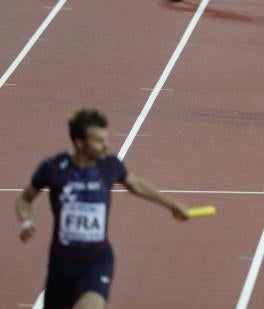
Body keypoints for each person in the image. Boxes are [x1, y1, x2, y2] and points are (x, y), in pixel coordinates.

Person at [16, 109, 190, 309]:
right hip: (61, 265)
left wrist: (173, 205)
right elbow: (24, 199)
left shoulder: (109, 166)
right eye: (98, 141)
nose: (106, 145)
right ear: (80, 143)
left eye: (106, 138)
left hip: (97, 260)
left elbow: (137, 184)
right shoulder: (53, 168)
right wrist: (26, 221)